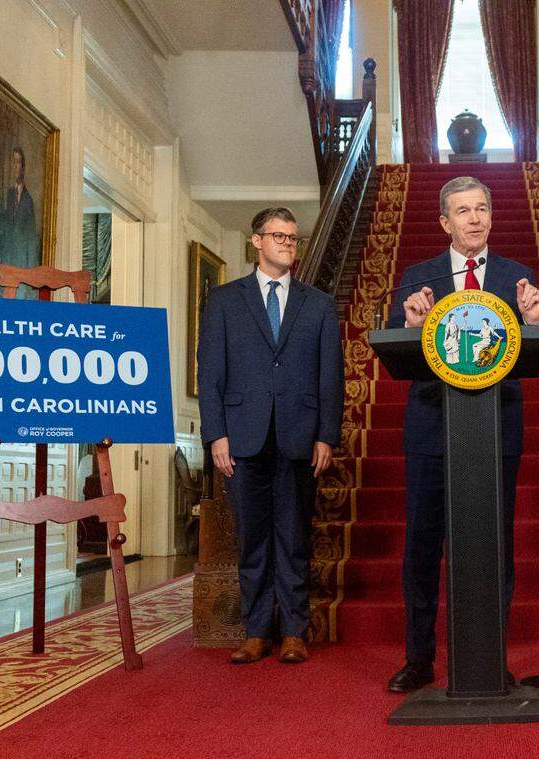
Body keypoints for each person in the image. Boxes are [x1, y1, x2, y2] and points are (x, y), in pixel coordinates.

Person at [385, 176, 539, 692]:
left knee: (492, 547)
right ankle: (418, 658)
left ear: (491, 216)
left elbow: (535, 349)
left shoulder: (517, 276)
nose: (474, 218)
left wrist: (534, 321)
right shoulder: (418, 276)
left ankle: (487, 657)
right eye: (463, 210)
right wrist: (412, 326)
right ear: (444, 223)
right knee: (422, 547)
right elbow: (397, 349)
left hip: (496, 431)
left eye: (482, 208)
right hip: (433, 432)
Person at [198, 206, 343, 665]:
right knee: (253, 537)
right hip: (242, 438)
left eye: (293, 238)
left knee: (294, 536)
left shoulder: (318, 304)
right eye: (278, 236)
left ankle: (295, 631)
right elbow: (211, 373)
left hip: (301, 437)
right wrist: (216, 435)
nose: (287, 243)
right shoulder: (224, 301)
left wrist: (326, 434)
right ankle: (257, 630)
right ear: (256, 241)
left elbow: (331, 378)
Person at [0, 146, 41, 297]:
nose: (15, 166)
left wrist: (31, 282)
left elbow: (31, 243)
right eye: (13, 163)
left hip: (20, 270)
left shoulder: (28, 201)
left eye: (18, 162)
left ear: (23, 167)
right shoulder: (5, 196)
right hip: (4, 268)